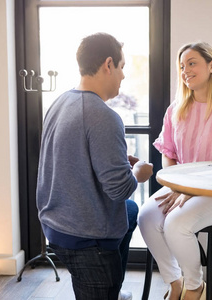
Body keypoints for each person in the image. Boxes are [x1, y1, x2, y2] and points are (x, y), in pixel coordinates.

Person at [137, 42, 212, 300]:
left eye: (192, 63)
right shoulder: (176, 109)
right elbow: (168, 154)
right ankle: (175, 283)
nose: (185, 71)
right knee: (147, 217)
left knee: (176, 224)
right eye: (182, 66)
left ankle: (195, 287)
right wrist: (179, 187)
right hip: (182, 191)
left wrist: (190, 191)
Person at [36, 32, 153, 300]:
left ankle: (113, 288)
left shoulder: (61, 102)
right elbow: (119, 190)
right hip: (86, 238)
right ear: (108, 64)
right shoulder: (105, 117)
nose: (123, 76)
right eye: (122, 68)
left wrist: (119, 161)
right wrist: (139, 172)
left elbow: (73, 158)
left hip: (55, 222)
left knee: (131, 211)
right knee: (128, 202)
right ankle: (106, 285)